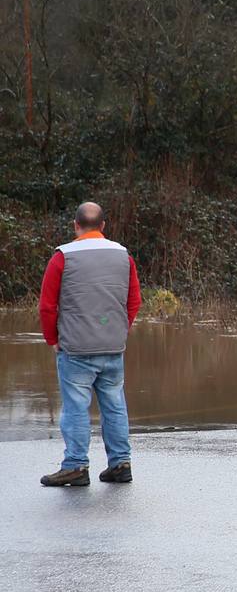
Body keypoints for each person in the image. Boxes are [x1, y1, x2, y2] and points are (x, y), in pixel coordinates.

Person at [38, 202, 142, 486]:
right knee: (115, 406)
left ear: (76, 225)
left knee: (75, 407)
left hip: (75, 348)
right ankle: (120, 464)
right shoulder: (124, 255)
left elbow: (47, 306)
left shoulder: (62, 257)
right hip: (112, 347)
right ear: (104, 226)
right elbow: (134, 301)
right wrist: (120, 330)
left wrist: (53, 339)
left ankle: (75, 466)